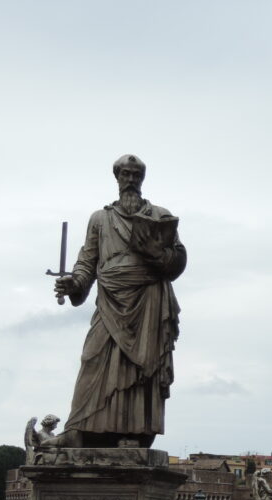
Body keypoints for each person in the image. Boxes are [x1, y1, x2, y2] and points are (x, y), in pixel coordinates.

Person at [53, 154, 187, 448]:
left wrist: (156, 253)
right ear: (117, 177)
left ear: (142, 179)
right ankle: (79, 430)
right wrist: (75, 283)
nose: (130, 180)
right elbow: (87, 262)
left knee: (143, 369)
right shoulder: (100, 219)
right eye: (125, 174)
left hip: (148, 300)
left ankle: (135, 433)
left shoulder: (160, 216)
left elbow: (177, 261)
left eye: (136, 175)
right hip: (110, 300)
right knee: (92, 357)